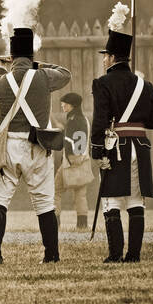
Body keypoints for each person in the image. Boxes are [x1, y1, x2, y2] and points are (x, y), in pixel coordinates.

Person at [0, 27, 71, 264]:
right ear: (31, 56)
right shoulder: (42, 76)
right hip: (37, 146)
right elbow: (65, 74)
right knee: (44, 203)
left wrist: (1, 67)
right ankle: (51, 254)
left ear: (11, 57)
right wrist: (37, 66)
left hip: (8, 146)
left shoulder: (2, 80)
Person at [91, 15, 153, 263]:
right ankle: (133, 256)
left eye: (105, 56)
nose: (103, 60)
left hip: (116, 147)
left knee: (111, 200)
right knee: (135, 202)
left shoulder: (102, 83)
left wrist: (97, 151)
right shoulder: (146, 85)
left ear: (112, 58)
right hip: (139, 147)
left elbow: (100, 120)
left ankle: (114, 255)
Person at [55, 92, 93, 231]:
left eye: (65, 103)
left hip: (70, 160)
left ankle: (55, 223)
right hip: (83, 160)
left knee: (56, 190)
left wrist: (70, 159)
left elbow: (70, 142)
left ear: (72, 105)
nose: (63, 105)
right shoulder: (83, 119)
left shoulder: (72, 120)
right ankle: (82, 225)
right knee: (80, 194)